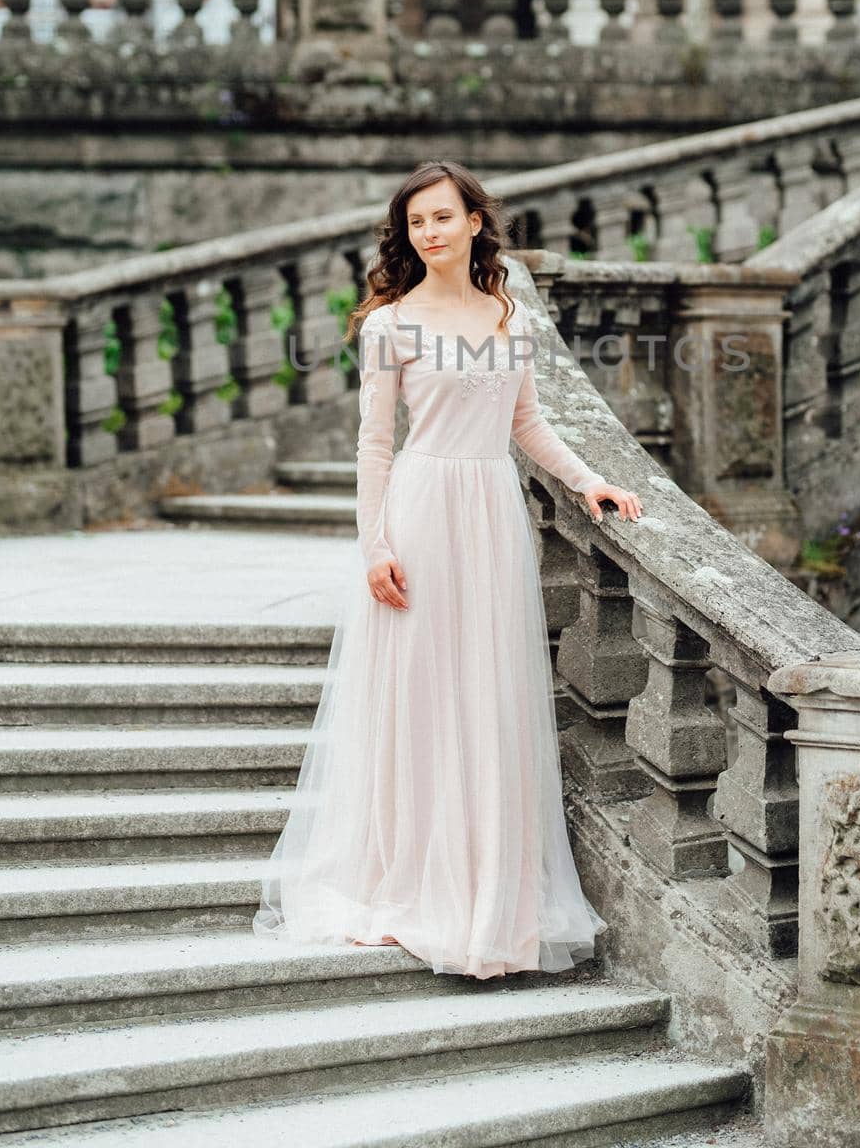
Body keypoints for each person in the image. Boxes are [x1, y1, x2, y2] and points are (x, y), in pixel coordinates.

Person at [253, 159, 643, 980]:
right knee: (422, 699)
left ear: (474, 222)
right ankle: (408, 884)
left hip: (492, 515)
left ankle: (486, 889)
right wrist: (375, 546)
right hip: (422, 511)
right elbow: (373, 444)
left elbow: (528, 424)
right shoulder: (391, 324)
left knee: (488, 695)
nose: (428, 232)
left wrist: (588, 480)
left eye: (442, 217)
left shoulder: (508, 314)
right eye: (415, 222)